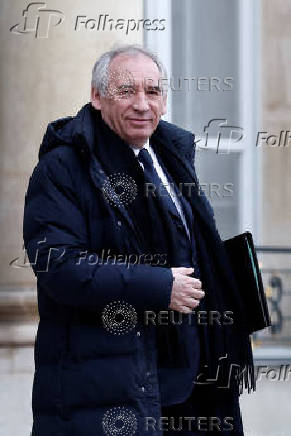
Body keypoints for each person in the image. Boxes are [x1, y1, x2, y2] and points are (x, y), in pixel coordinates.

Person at [23, 44, 255, 436]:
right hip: (112, 384)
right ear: (97, 97)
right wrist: (159, 286)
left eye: (153, 92)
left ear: (165, 100)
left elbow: (196, 247)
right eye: (126, 91)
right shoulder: (62, 168)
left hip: (197, 379)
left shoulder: (172, 156)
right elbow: (58, 265)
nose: (142, 104)